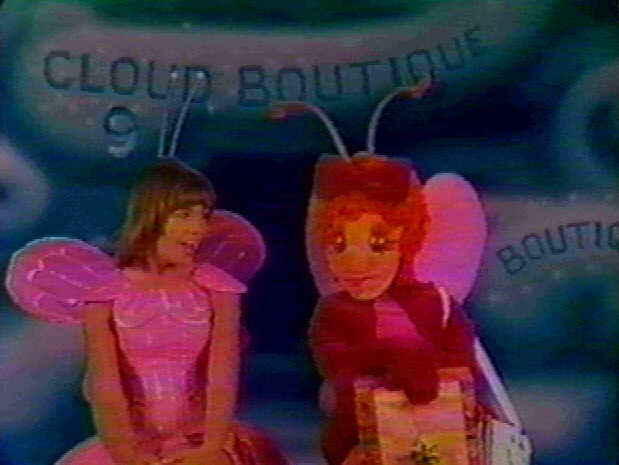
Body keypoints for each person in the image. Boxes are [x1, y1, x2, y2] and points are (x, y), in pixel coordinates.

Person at [6, 159, 288, 465]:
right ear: (153, 216)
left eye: (203, 216)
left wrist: (209, 448)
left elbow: (223, 378)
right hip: (128, 442)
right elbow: (105, 386)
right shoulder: (105, 294)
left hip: (203, 437)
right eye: (185, 215)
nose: (198, 229)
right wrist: (126, 453)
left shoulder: (219, 289)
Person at [306, 154, 479, 465]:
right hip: (361, 440)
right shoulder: (334, 310)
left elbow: (463, 363)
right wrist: (389, 358)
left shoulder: (435, 301)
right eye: (338, 244)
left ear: (407, 241)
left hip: (439, 438)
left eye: (379, 244)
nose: (355, 263)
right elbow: (334, 363)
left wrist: (426, 370)